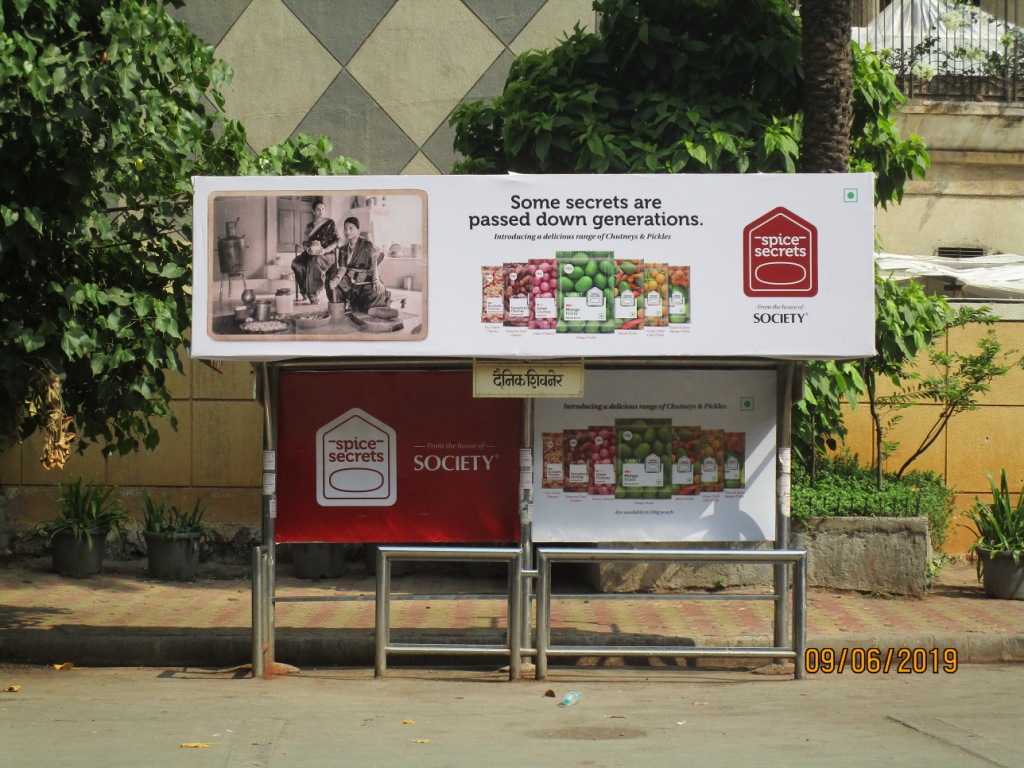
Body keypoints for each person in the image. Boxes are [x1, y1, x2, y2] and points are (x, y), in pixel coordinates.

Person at [326, 216, 391, 312]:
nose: (347, 231)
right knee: (331, 277)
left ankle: (357, 305)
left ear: (358, 230)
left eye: (350, 228)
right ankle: (346, 303)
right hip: (349, 281)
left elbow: (373, 264)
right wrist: (336, 279)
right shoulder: (343, 249)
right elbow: (343, 268)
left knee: (377, 293)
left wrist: (376, 280)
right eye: (345, 229)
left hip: (365, 279)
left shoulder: (367, 245)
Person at [291, 199, 339, 304]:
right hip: (311, 253)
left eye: (323, 209)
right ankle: (304, 289)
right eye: (318, 209)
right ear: (313, 211)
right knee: (296, 263)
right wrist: (308, 249)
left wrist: (325, 250)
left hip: (328, 254)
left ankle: (313, 292)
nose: (321, 211)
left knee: (314, 261)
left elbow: (337, 241)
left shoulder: (330, 223)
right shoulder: (310, 226)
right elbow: (305, 243)